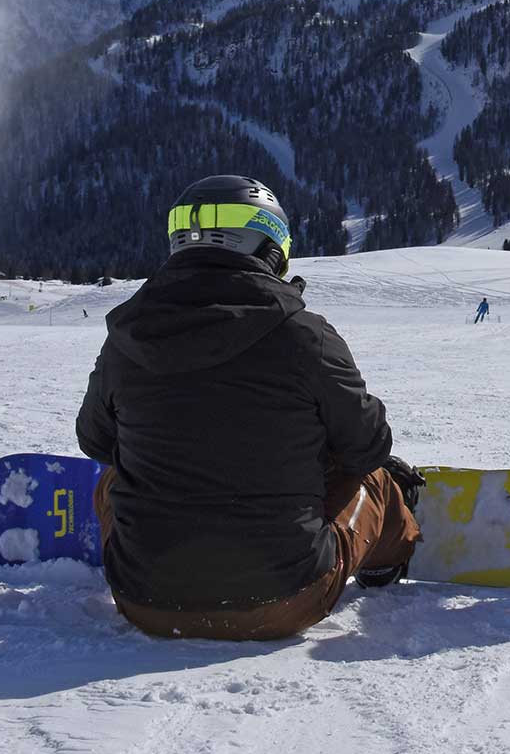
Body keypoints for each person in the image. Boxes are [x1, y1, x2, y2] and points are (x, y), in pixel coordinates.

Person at [77, 174, 422, 640]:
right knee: (374, 479)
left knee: (116, 472)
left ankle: (150, 538)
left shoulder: (127, 336)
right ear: (272, 248)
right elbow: (368, 446)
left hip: (143, 601)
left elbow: (95, 440)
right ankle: (386, 555)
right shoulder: (305, 335)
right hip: (283, 600)